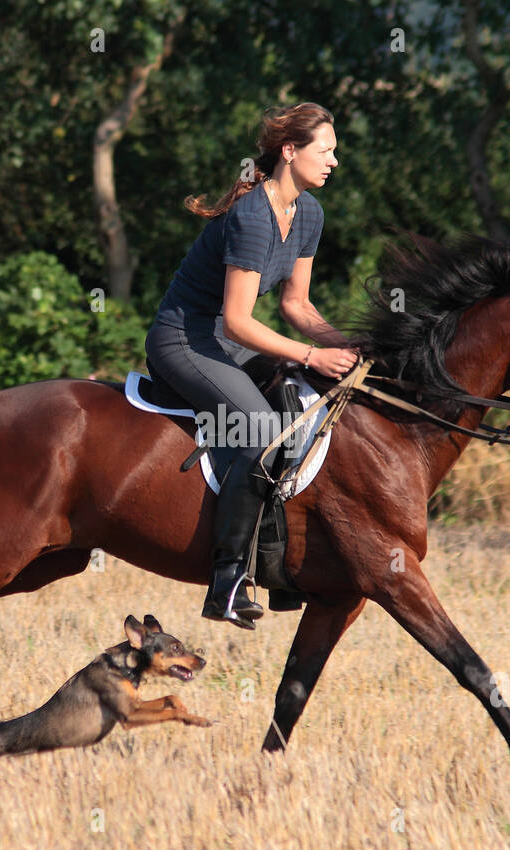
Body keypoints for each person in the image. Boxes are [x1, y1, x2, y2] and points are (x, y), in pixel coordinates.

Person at [145, 102, 359, 629]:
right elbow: (239, 321)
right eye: (325, 151)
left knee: (302, 407)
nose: (334, 162)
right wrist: (311, 354)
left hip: (224, 339)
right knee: (263, 429)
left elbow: (297, 307)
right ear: (290, 151)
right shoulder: (250, 216)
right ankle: (227, 581)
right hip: (182, 340)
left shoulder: (309, 212)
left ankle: (280, 564)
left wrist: (353, 350)